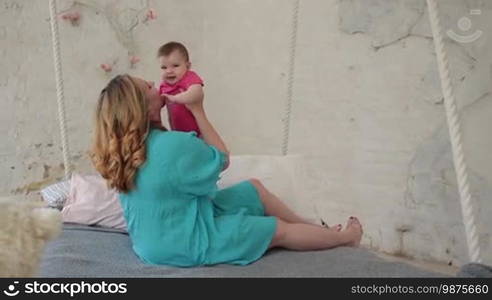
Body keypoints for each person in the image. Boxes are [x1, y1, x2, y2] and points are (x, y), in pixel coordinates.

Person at [91, 74, 363, 267]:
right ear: (142, 105)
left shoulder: (123, 151)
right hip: (181, 242)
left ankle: (313, 227)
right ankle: (344, 239)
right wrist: (197, 109)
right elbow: (221, 158)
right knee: (278, 230)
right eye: (148, 86)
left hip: (153, 238)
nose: (156, 83)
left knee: (254, 189)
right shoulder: (171, 145)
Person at [158, 41, 204, 135]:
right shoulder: (164, 85)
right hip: (177, 132)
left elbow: (196, 93)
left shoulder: (189, 77)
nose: (169, 71)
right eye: (164, 67)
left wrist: (176, 98)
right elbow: (158, 102)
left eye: (175, 66)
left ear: (187, 66)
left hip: (197, 132)